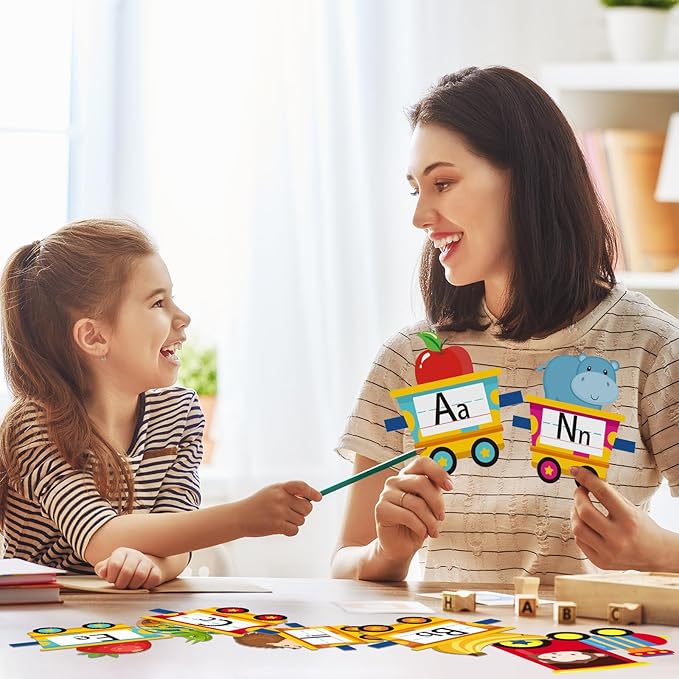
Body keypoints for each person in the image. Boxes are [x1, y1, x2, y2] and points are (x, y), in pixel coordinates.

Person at [331, 66, 679, 584]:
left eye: (443, 183)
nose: (421, 216)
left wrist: (660, 553)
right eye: (416, 190)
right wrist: (385, 555)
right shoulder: (409, 357)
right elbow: (343, 564)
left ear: (527, 179)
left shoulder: (649, 346)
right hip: (445, 660)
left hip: (587, 661)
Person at [0, 219, 321, 589]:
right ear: (94, 336)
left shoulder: (179, 413)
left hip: (124, 619)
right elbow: (101, 538)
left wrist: (152, 564)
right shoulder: (35, 427)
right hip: (38, 626)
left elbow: (179, 536)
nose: (183, 318)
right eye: (158, 303)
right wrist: (243, 518)